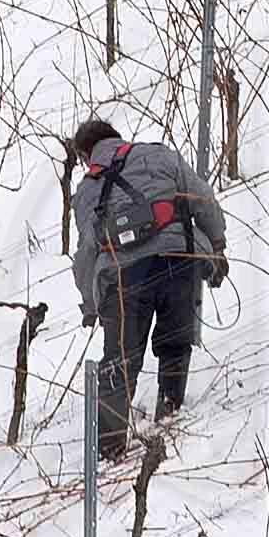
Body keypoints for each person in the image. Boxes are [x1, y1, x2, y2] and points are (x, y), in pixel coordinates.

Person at [63, 117, 232, 460]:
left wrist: (90, 304)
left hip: (122, 278)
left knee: (120, 360)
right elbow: (203, 199)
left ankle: (109, 447)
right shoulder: (159, 156)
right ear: (117, 137)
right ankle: (169, 412)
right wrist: (216, 245)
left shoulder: (87, 189)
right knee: (174, 341)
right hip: (178, 258)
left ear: (85, 154)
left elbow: (86, 253)